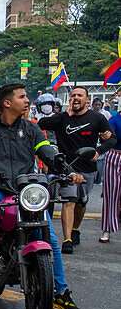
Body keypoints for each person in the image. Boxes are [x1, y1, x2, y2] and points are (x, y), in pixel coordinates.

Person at [0, 83, 81, 309]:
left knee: (50, 235)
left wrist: (64, 169)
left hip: (26, 189)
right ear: (7, 103)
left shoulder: (32, 128)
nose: (27, 100)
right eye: (22, 97)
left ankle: (60, 291)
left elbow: (46, 151)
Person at [37, 86, 113, 252]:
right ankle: (67, 239)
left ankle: (75, 229)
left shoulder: (97, 118)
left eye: (80, 95)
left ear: (87, 100)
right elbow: (41, 123)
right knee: (69, 201)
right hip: (66, 168)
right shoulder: (62, 118)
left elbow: (111, 138)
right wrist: (65, 114)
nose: (76, 98)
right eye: (73, 95)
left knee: (81, 202)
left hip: (88, 168)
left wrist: (98, 151)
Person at [100, 110, 121, 243]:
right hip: (114, 156)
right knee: (111, 195)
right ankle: (107, 229)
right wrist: (103, 136)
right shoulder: (114, 119)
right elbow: (107, 136)